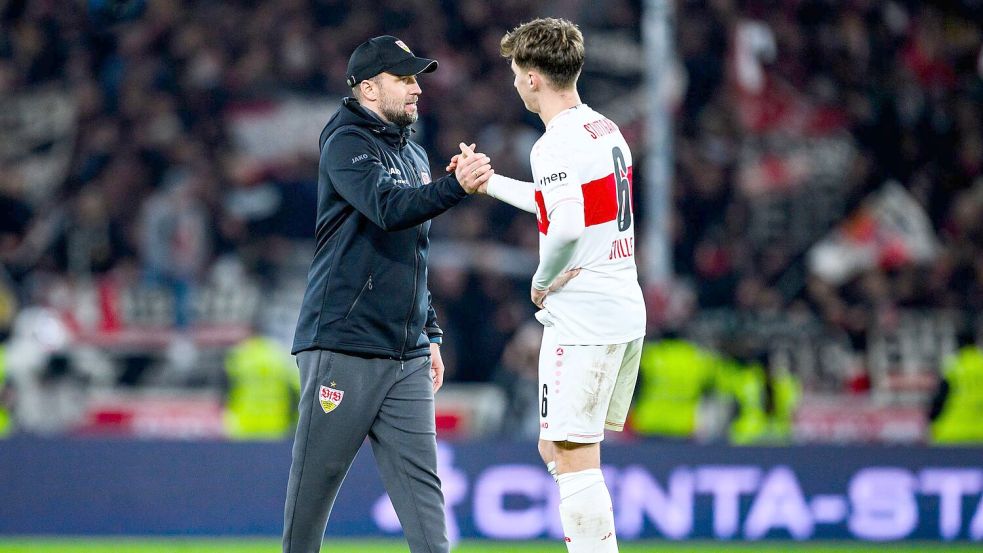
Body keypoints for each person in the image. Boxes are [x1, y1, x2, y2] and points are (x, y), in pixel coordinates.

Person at [283, 35, 493, 553]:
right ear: (369, 88)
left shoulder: (415, 153)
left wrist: (431, 331)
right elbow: (387, 209)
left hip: (406, 356)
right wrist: (455, 188)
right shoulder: (345, 144)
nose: (418, 88)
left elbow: (412, 255)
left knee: (424, 494)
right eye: (405, 78)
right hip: (344, 346)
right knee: (314, 490)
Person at [451, 18, 646, 552]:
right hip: (621, 305)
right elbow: (566, 203)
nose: (514, 83)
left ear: (533, 77)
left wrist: (541, 282)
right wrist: (488, 184)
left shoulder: (554, 144)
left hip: (584, 315)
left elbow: (565, 226)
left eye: (516, 72)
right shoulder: (604, 130)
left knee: (573, 456)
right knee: (558, 450)